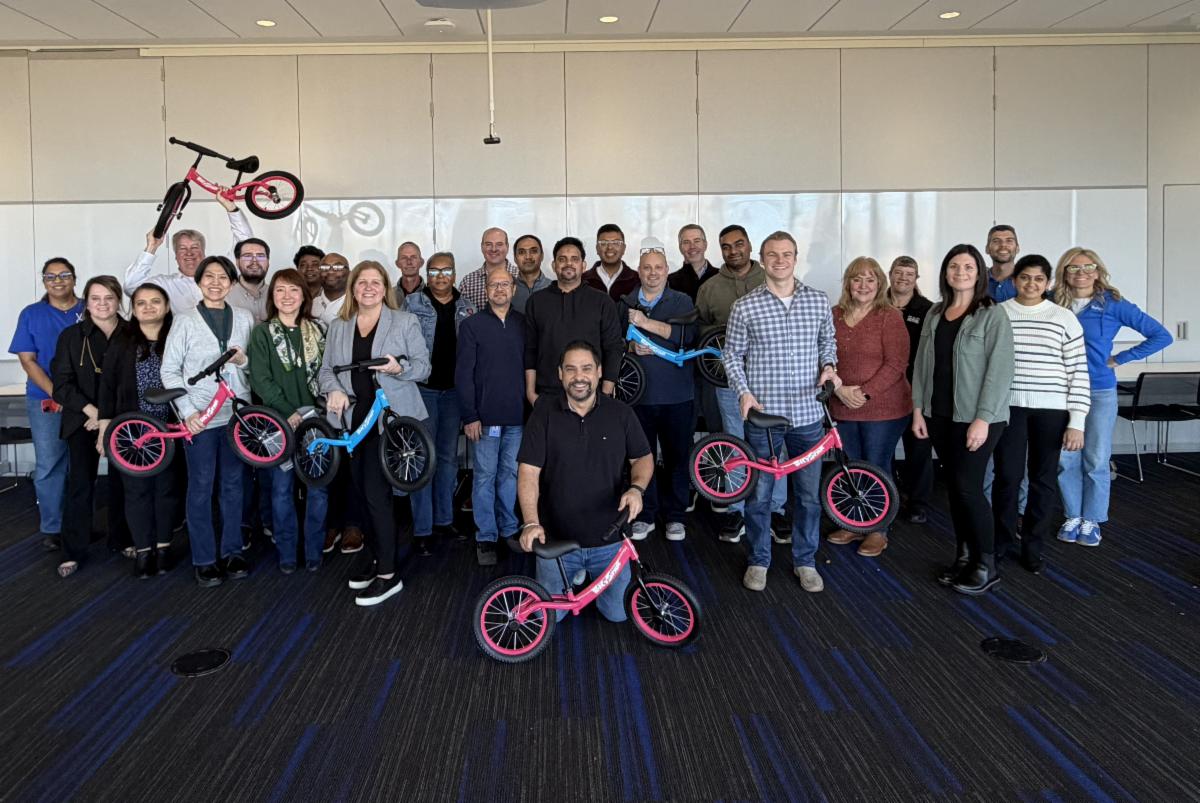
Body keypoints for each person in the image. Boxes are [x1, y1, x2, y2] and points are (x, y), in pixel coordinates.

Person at [724, 231, 839, 594]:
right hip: (764, 417)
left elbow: (827, 342)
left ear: (795, 257)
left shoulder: (817, 301)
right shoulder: (745, 306)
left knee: (807, 496)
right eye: (772, 255)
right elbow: (731, 355)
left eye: (786, 254)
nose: (779, 260)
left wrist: (829, 366)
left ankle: (805, 561)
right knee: (759, 496)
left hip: (807, 416)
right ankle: (759, 560)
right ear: (762, 260)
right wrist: (743, 392)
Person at [319, 261, 430, 606]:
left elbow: (423, 367)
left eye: (375, 282)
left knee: (376, 493)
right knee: (361, 490)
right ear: (353, 288)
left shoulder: (404, 321)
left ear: (385, 288)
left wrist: (399, 367)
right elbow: (326, 370)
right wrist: (333, 390)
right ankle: (378, 555)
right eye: (362, 282)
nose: (368, 288)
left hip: (391, 420)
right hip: (353, 419)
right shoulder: (339, 326)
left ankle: (388, 574)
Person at [517, 340, 653, 623]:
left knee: (618, 614)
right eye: (571, 369)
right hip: (556, 542)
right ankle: (576, 576)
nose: (579, 377)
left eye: (586, 368)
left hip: (609, 542)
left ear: (599, 371)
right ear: (560, 374)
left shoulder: (621, 413)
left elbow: (642, 458)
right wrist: (530, 523)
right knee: (548, 620)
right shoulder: (543, 414)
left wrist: (636, 488)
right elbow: (528, 472)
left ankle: (584, 578)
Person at [911, 244, 1014, 596]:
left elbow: (1000, 372)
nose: (960, 272)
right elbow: (922, 365)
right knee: (956, 489)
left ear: (979, 273)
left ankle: (987, 564)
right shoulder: (936, 312)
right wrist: (918, 409)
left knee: (969, 488)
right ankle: (965, 555)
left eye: (968, 267)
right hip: (940, 416)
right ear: (945, 272)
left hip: (978, 419)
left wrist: (983, 419)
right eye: (954, 266)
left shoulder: (992, 314)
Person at [1054, 247, 1171, 548]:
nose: (1081, 273)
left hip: (1099, 390)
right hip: (1059, 390)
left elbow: (1161, 335)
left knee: (1095, 457)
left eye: (1088, 267)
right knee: (1066, 457)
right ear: (1064, 272)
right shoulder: (1053, 301)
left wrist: (1120, 358)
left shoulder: (1112, 303)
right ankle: (1072, 515)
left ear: (1098, 271)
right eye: (1073, 267)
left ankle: (1092, 519)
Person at [992, 255, 1091, 574]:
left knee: (1042, 480)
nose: (1031, 284)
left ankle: (1033, 547)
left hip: (1052, 410)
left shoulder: (1064, 318)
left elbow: (1078, 372)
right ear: (1014, 281)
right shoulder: (998, 313)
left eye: (1038, 279)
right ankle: (1001, 543)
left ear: (1048, 283)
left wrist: (1077, 422)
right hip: (1009, 409)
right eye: (1024, 277)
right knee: (1007, 478)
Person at [161, 256, 254, 587]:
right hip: (200, 417)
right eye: (209, 277)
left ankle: (232, 551)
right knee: (201, 486)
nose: (216, 283)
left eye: (223, 277)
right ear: (199, 282)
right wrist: (187, 411)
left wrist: (243, 361)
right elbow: (169, 371)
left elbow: (253, 365)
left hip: (236, 415)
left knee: (233, 485)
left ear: (232, 283)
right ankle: (204, 558)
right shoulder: (184, 320)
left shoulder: (244, 317)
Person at [825, 257, 911, 558]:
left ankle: (878, 529)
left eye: (870, 279)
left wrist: (864, 393)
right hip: (842, 404)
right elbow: (822, 355)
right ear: (848, 283)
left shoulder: (890, 316)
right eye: (857, 278)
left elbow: (897, 364)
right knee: (849, 466)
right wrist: (839, 389)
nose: (863, 285)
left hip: (884, 409)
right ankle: (855, 521)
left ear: (880, 284)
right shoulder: (834, 314)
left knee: (876, 465)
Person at [696, 224, 776, 544]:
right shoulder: (710, 288)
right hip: (727, 378)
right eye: (726, 246)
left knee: (772, 442)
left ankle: (776, 510)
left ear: (750, 245)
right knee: (733, 440)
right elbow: (701, 330)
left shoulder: (771, 279)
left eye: (739, 244)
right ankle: (736, 508)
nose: (733, 251)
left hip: (770, 379)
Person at [248, 269, 330, 574]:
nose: (287, 296)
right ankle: (286, 552)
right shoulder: (262, 333)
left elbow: (328, 372)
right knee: (281, 489)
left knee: (318, 489)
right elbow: (261, 379)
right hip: (278, 422)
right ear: (272, 296)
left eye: (294, 290)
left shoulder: (318, 330)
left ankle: (313, 551)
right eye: (280, 290)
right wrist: (288, 412)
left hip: (315, 422)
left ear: (304, 296)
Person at [98, 283, 181, 578]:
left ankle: (164, 547)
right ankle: (143, 550)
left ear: (167, 306)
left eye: (155, 301)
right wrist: (104, 429)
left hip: (171, 428)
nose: (148, 307)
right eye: (141, 303)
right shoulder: (122, 341)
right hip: (131, 431)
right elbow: (107, 387)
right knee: (136, 492)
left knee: (167, 490)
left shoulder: (177, 336)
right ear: (133, 310)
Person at [50, 275, 129, 578]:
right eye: (95, 298)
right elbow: (62, 385)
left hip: (122, 420)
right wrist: (94, 412)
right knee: (81, 484)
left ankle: (123, 539)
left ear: (118, 300)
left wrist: (109, 417)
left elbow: (134, 381)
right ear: (86, 302)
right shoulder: (71, 336)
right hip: (83, 420)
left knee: (124, 483)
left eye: (109, 298)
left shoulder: (131, 333)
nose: (102, 304)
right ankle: (73, 551)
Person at [619, 244, 695, 542]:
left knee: (678, 457)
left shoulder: (682, 300)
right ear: (639, 271)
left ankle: (676, 516)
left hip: (678, 396)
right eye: (647, 268)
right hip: (638, 397)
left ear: (667, 270)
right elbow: (612, 341)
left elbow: (687, 337)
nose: (653, 273)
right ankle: (645, 515)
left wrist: (645, 323)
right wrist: (630, 347)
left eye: (658, 267)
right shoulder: (624, 302)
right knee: (641, 457)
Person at [8, 258, 84, 551]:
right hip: (46, 399)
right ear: (44, 281)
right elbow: (28, 361)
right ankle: (53, 527)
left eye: (64, 274)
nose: (58, 280)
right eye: (51, 276)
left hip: (86, 403)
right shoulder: (31, 314)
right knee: (50, 463)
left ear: (74, 278)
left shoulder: (90, 308)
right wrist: (59, 394)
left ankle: (80, 523)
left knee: (82, 464)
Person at [404, 253, 475, 554]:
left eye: (446, 271)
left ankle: (444, 520)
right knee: (422, 457)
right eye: (434, 271)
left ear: (454, 274)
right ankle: (422, 528)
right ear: (427, 274)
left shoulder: (467, 307)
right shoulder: (411, 304)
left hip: (454, 393)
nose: (440, 276)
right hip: (423, 391)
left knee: (447, 458)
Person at [456, 266, 525, 566]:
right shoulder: (472, 325)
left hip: (517, 418)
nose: (499, 289)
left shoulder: (523, 324)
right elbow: (463, 374)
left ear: (513, 289)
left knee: (510, 474)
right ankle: (486, 536)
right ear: (486, 291)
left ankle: (509, 529)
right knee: (485, 476)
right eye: (494, 285)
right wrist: (470, 415)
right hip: (484, 420)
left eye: (505, 284)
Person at [524, 237, 623, 403]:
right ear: (554, 265)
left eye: (574, 259)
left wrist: (606, 394)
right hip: (547, 394)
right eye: (562, 259)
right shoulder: (536, 301)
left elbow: (613, 348)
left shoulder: (602, 302)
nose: (568, 263)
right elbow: (530, 349)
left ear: (583, 265)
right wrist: (531, 393)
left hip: (591, 394)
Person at [124, 192, 252, 312]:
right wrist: (152, 247)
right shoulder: (165, 285)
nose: (189, 253)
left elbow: (246, 245)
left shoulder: (224, 274)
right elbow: (131, 287)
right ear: (176, 256)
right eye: (182, 248)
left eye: (195, 247)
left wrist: (231, 207)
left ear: (204, 252)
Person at [888, 256, 935, 524]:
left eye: (909, 274)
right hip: (883, 390)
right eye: (899, 272)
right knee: (882, 449)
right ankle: (888, 495)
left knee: (918, 448)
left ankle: (918, 503)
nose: (903, 278)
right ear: (890, 274)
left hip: (916, 390)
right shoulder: (876, 303)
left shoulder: (928, 310)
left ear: (916, 278)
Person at [459, 228, 516, 311]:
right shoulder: (467, 282)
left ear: (507, 247)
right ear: (482, 247)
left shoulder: (520, 276)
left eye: (499, 244)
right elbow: (462, 315)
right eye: (488, 244)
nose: (493, 249)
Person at [582, 224, 640, 302]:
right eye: (604, 243)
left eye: (616, 243)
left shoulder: (638, 280)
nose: (610, 247)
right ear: (597, 248)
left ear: (624, 248)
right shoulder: (583, 281)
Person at [668, 224, 718, 301]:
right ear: (680, 247)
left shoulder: (721, 276)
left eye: (697, 241)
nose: (692, 246)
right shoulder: (669, 282)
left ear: (705, 244)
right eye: (686, 242)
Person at [228, 238, 271, 323]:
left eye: (260, 256)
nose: (254, 261)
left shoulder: (280, 295)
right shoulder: (225, 296)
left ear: (268, 262)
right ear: (237, 262)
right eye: (247, 256)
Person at [511, 234, 551, 314]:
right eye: (521, 252)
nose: (528, 257)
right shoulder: (507, 290)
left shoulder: (555, 289)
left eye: (533, 251)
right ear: (515, 258)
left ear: (542, 256)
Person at [986, 224, 1020, 302]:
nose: (1003, 245)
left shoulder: (1027, 281)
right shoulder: (977, 281)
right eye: (996, 241)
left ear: (1017, 248)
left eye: (1009, 241)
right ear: (987, 249)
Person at [316, 252, 351, 327]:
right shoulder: (310, 306)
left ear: (350, 273)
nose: (330, 272)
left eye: (338, 267)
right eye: (324, 267)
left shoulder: (357, 305)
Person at [295, 245, 326, 314]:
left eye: (315, 264)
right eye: (303, 265)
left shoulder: (331, 294)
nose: (309, 268)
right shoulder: (290, 295)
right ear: (297, 270)